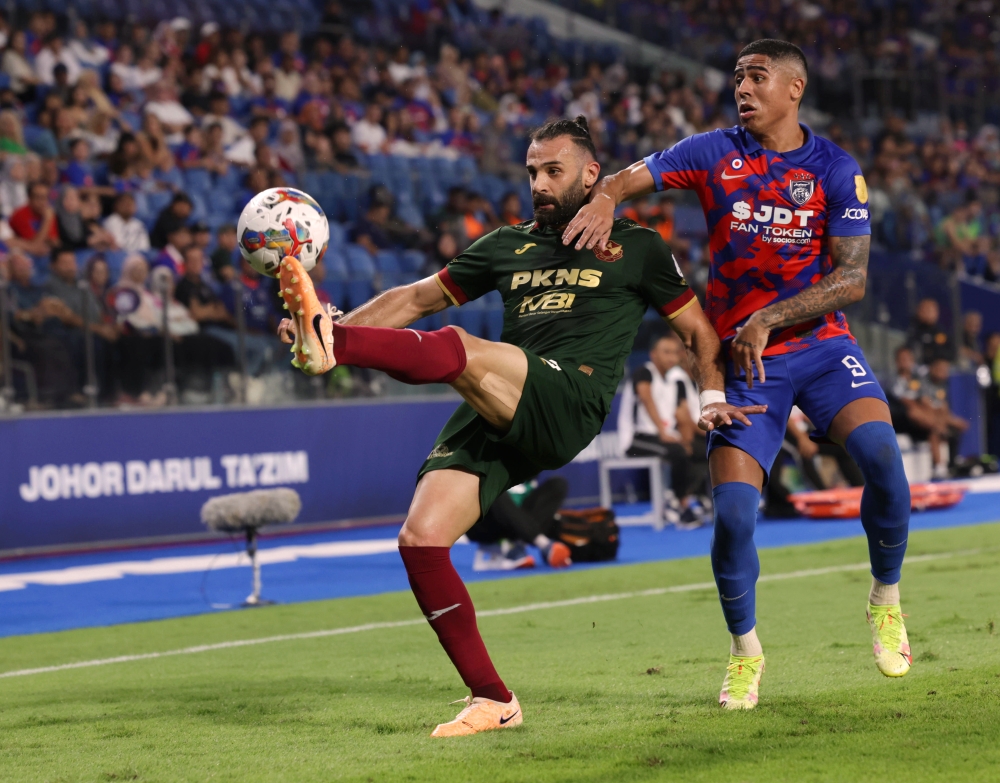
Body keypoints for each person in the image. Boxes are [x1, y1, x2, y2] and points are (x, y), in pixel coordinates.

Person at [276, 116, 757, 736]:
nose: (539, 183)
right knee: (421, 539)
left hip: (568, 397)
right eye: (532, 171)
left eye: (553, 171)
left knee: (455, 347)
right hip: (503, 400)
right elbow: (416, 298)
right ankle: (492, 699)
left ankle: (333, 342)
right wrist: (338, 329)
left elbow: (697, 332)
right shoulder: (506, 244)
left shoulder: (637, 247)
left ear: (591, 175)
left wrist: (711, 395)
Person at [563, 39, 914, 709]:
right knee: (732, 518)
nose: (742, 89)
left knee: (884, 462)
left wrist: (771, 316)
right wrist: (606, 196)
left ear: (794, 90)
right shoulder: (711, 151)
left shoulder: (836, 169)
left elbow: (853, 278)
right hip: (747, 365)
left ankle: (885, 596)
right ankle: (745, 651)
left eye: (757, 77)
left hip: (819, 347)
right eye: (737, 78)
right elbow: (629, 177)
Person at [617, 332, 708, 527]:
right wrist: (662, 431)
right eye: (666, 352)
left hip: (663, 437)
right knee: (677, 453)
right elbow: (646, 398)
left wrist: (686, 440)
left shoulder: (677, 381)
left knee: (701, 450)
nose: (671, 357)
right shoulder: (644, 371)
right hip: (636, 438)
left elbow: (682, 415)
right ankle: (679, 505)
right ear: (653, 355)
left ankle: (689, 499)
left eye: (675, 352)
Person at [467, 477, 572, 570]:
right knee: (494, 490)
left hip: (520, 523)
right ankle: (544, 544)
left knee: (558, 484)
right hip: (486, 525)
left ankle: (517, 546)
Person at [907, 298, 954, 366]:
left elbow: (951, 353)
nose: (926, 312)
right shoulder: (912, 330)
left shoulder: (942, 332)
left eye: (929, 310)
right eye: (924, 309)